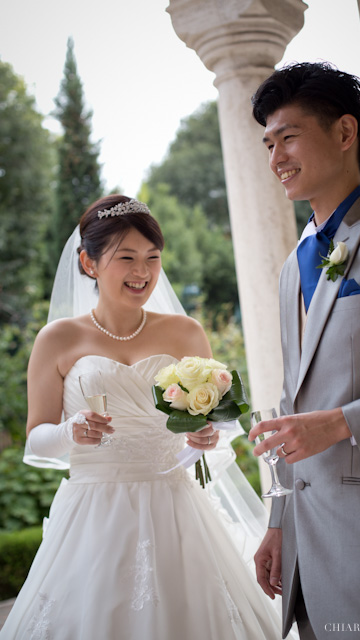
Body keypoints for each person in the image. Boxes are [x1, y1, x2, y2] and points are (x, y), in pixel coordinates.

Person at [1, 194, 283, 639]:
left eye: (152, 258)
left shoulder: (185, 331)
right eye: (126, 257)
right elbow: (35, 438)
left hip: (177, 508)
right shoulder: (57, 339)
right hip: (94, 515)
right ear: (89, 263)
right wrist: (71, 433)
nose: (143, 272)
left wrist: (209, 436)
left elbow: (217, 423)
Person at [248, 61, 360, 639]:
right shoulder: (288, 269)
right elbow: (290, 398)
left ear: (345, 133)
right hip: (306, 543)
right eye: (268, 143)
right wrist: (277, 520)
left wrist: (343, 423)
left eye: (289, 137)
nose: (276, 158)